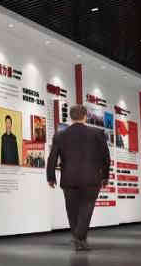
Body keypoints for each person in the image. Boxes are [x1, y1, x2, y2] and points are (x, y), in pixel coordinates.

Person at [46, 104, 111, 252]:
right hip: (91, 178)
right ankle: (80, 237)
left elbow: (52, 157)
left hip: (69, 178)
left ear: (70, 117)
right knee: (87, 208)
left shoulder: (60, 135)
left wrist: (51, 177)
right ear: (85, 116)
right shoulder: (97, 133)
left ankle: (79, 239)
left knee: (72, 210)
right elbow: (106, 157)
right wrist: (105, 175)